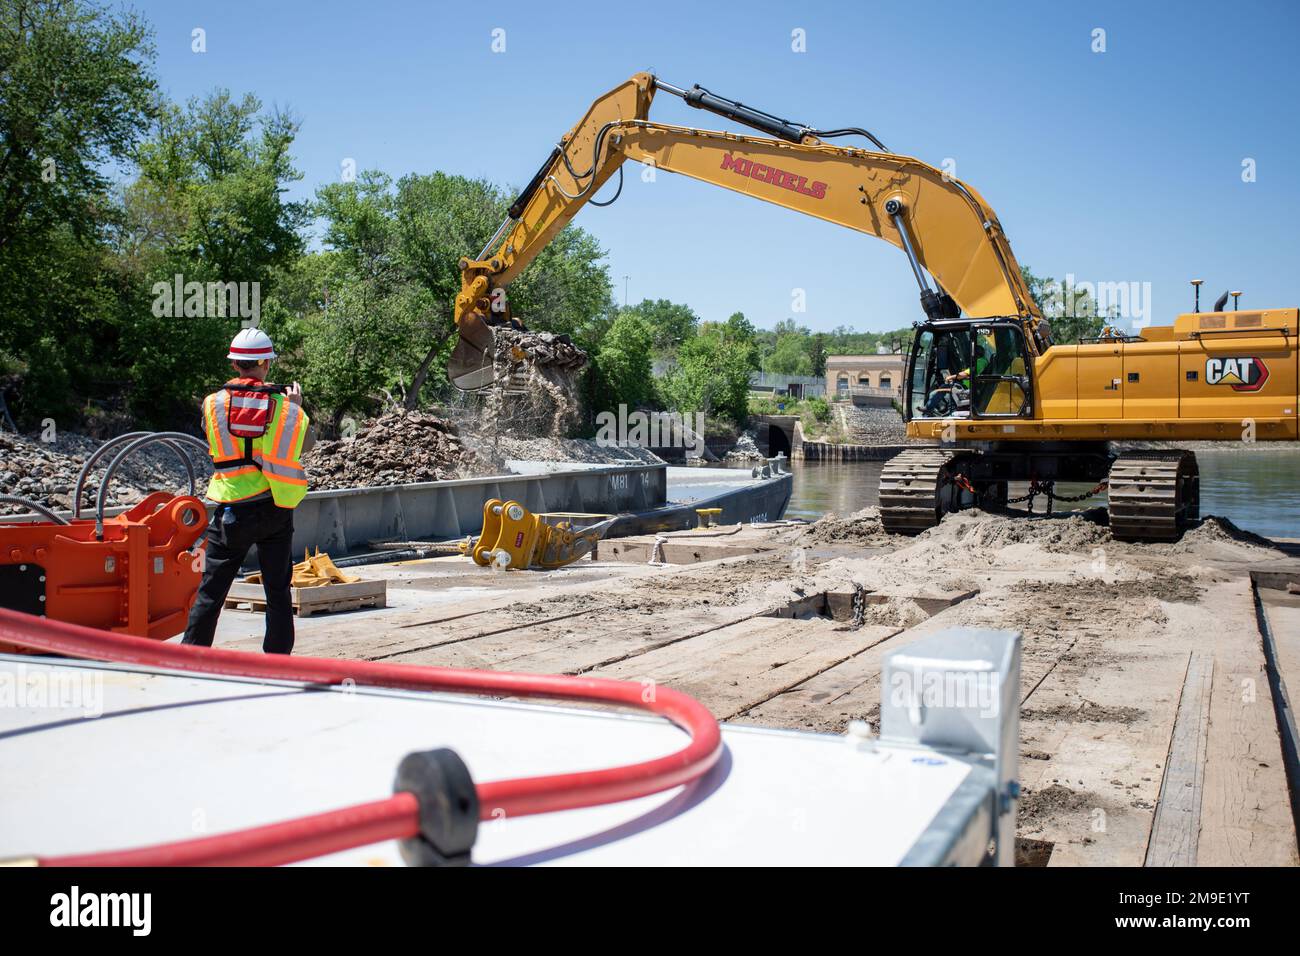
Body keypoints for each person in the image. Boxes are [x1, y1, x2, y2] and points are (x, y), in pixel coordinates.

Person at [183, 329, 310, 654]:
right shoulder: (283, 406)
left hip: (230, 511)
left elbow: (214, 437)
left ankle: (189, 659)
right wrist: (294, 409)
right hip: (273, 509)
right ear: (265, 362)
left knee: (211, 592)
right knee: (277, 591)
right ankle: (277, 663)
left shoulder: (213, 404)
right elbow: (298, 448)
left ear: (235, 364)